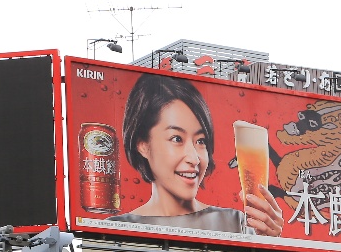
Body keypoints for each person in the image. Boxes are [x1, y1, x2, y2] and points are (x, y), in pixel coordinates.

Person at [109, 74, 283, 236]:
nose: (194, 159)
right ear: (142, 144)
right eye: (177, 138)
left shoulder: (235, 224)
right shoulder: (114, 230)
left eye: (200, 141)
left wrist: (269, 243)